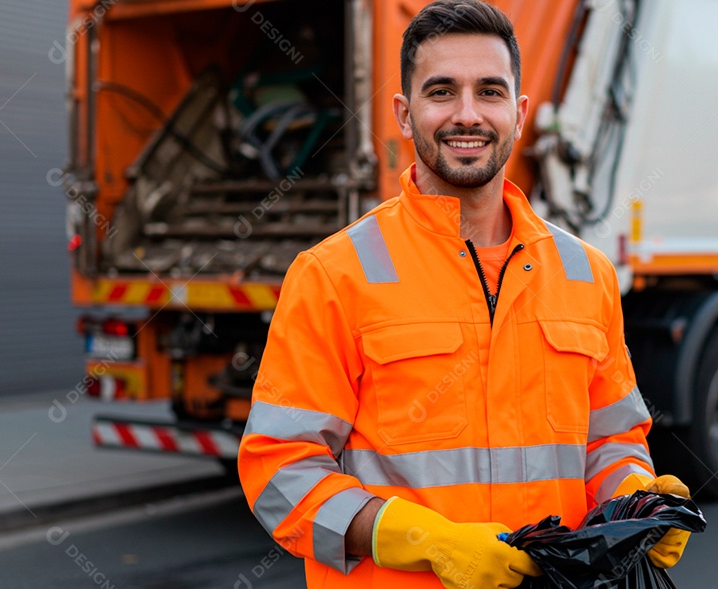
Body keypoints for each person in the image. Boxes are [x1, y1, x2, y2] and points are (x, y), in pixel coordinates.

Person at [237, 2, 692, 587]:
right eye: (442, 91)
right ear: (404, 114)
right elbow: (279, 470)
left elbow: (610, 440)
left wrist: (637, 499)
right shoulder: (335, 274)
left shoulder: (586, 273)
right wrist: (424, 540)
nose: (468, 115)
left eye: (490, 91)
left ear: (520, 113)